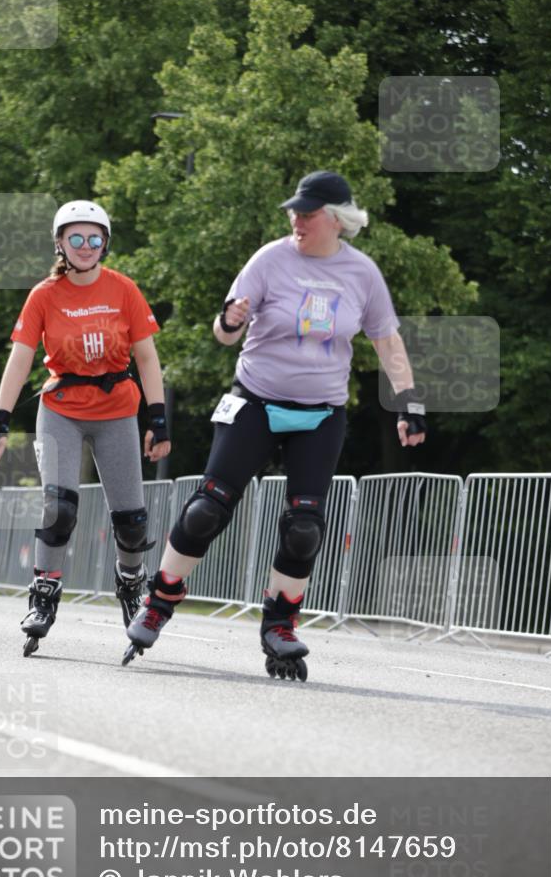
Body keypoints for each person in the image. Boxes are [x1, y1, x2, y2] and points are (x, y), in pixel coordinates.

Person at [124, 171, 426, 679]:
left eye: (307, 213)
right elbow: (223, 332)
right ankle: (159, 600)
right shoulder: (270, 259)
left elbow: (387, 343)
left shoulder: (363, 273)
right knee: (206, 509)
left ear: (336, 219)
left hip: (321, 414)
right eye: (294, 212)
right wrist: (232, 319)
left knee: (306, 526)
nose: (297, 220)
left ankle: (279, 625)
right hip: (256, 402)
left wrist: (411, 403)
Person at [0, 199, 170, 656]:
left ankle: (130, 582)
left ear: (105, 243)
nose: (86, 246)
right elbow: (20, 359)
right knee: (58, 509)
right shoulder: (44, 295)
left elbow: (146, 357)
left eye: (94, 238)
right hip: (61, 407)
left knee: (131, 521)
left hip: (117, 411)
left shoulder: (124, 289)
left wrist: (158, 418)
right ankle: (43, 595)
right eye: (76, 238)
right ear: (61, 243)